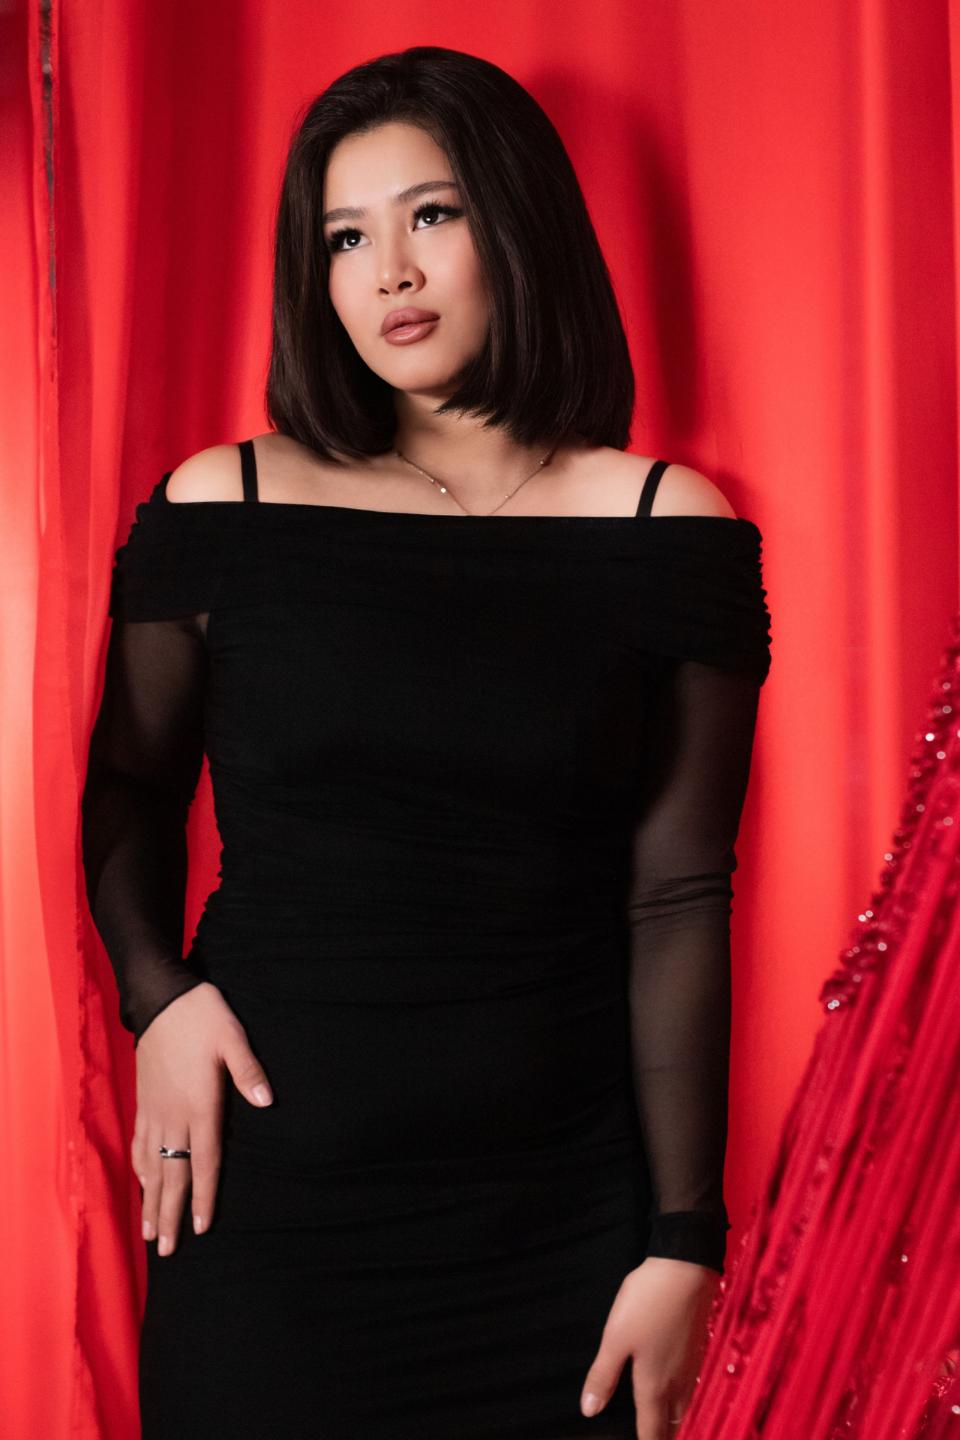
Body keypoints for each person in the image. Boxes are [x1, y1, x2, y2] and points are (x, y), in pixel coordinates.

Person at [81, 45, 772, 1440]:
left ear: (518, 224)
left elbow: (679, 892)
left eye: (432, 215)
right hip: (265, 1217)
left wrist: (682, 1240)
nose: (388, 272)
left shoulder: (665, 529)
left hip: (560, 1229)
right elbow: (129, 787)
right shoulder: (225, 506)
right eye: (345, 237)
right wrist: (161, 999)